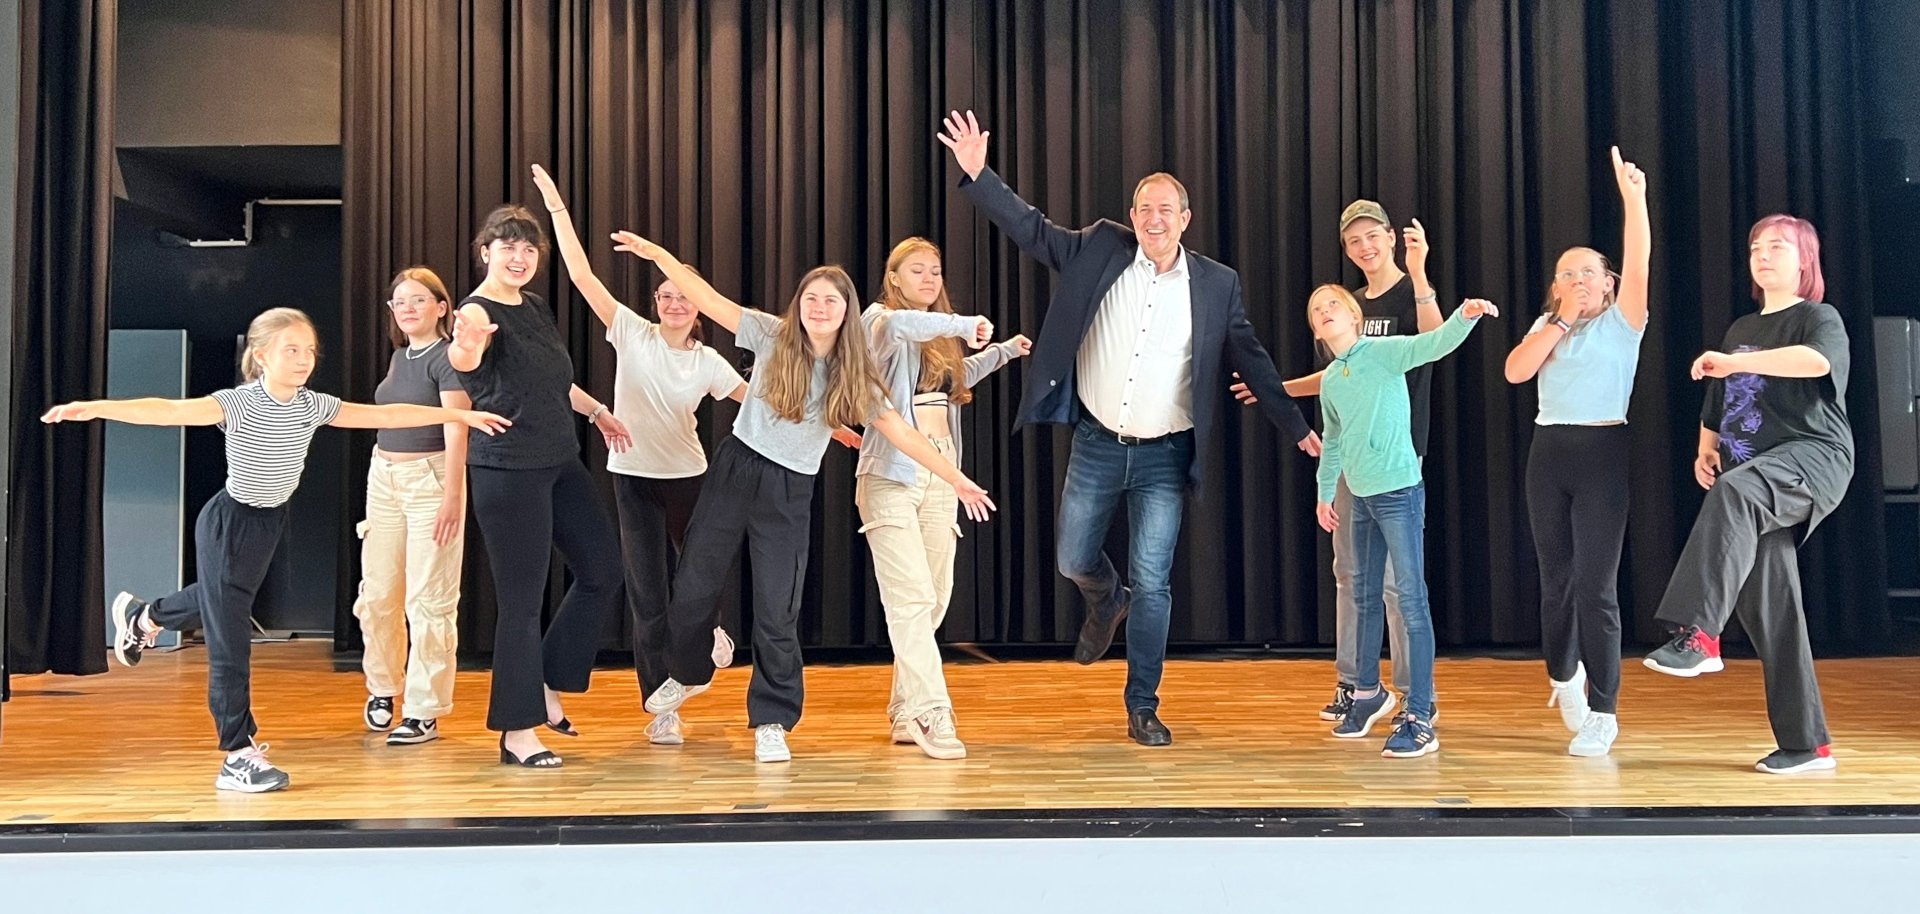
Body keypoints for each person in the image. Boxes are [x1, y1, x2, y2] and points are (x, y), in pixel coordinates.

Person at [939, 109, 1318, 746]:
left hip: (1166, 455)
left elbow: (1252, 356)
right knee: (1072, 558)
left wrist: (1295, 424)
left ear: (1185, 218)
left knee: (1157, 582)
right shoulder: (1099, 247)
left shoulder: (1216, 284)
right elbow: (1032, 231)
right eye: (1145, 207)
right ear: (1134, 214)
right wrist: (979, 175)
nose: (1154, 217)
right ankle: (1103, 597)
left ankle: (1142, 702)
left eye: (1166, 208)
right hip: (1096, 443)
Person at [55, 307, 509, 791]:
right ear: (262, 355)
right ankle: (236, 753)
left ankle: (145, 617)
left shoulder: (312, 405)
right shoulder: (239, 402)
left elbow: (384, 414)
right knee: (229, 642)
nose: (303, 359)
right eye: (291, 350)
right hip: (228, 523)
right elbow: (168, 410)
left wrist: (457, 413)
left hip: (269, 522)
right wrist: (98, 407)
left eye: (309, 350)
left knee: (218, 602)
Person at [613, 230, 997, 764]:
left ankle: (771, 719)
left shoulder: (853, 372)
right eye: (811, 297)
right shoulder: (772, 335)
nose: (819, 307)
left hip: (790, 488)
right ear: (799, 306)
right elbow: (710, 302)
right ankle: (690, 671)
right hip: (736, 469)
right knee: (692, 588)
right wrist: (659, 257)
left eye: (832, 300)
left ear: (846, 312)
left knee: (778, 607)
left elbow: (902, 432)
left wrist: (954, 477)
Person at [531, 165, 767, 747]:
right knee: (647, 595)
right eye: (666, 295)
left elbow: (762, 401)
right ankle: (660, 705)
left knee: (699, 576)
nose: (675, 303)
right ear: (655, 301)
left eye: (685, 296)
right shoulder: (630, 332)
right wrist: (559, 212)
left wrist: (832, 424)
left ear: (699, 305)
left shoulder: (710, 362)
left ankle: (712, 630)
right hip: (631, 479)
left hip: (690, 478)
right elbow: (583, 276)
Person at [1642, 214, 1852, 776]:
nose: (1763, 255)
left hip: (1813, 458)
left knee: (1736, 495)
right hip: (1753, 475)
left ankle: (1699, 635)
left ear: (1805, 259)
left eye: (1778, 247)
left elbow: (1818, 364)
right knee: (1774, 609)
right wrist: (1705, 447)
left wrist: (1736, 361)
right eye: (1756, 246)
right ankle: (1809, 744)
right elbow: (1721, 398)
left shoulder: (1817, 318)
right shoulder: (1739, 328)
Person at [1235, 200, 1443, 723]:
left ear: (1391, 237)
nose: (1365, 247)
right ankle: (1356, 684)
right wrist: (1276, 390)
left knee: (1398, 584)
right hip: (1350, 457)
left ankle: (1415, 698)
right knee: (1351, 575)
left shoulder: (1407, 291)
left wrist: (1420, 275)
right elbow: (1336, 378)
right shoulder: (1346, 306)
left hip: (1396, 455)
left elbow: (1434, 342)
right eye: (1354, 241)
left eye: (1372, 236)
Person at [448, 203, 631, 769]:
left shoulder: (534, 307)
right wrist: (470, 344)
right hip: (508, 469)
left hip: (560, 459)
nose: (519, 257)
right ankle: (516, 731)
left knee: (602, 570)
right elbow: (464, 360)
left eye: (529, 249)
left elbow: (556, 379)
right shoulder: (475, 313)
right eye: (507, 246)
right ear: (485, 252)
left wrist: (599, 411)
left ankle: (548, 682)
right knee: (521, 606)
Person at [858, 236, 1030, 759]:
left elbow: (957, 381)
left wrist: (1002, 351)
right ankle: (934, 711)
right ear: (894, 278)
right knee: (909, 599)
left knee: (932, 598)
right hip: (890, 473)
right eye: (917, 270)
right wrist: (961, 324)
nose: (930, 279)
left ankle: (905, 710)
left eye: (935, 270)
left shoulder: (940, 337)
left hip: (942, 468)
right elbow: (904, 327)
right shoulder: (877, 320)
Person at [1504, 147, 1650, 757]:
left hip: (1602, 451)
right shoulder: (1548, 328)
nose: (1579, 280)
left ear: (1609, 283)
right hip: (1549, 451)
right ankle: (1564, 675)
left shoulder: (1624, 322)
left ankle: (1604, 710)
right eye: (1567, 273)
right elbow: (1515, 373)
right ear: (1554, 287)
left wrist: (1634, 199)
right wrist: (1557, 321)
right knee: (1556, 579)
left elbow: (1640, 256)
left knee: (1597, 585)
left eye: (1589, 272)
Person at [1311, 285, 1498, 758]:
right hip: (1360, 496)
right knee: (1363, 595)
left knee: (1411, 598)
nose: (1325, 311)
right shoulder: (1333, 378)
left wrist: (1466, 313)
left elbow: (1430, 345)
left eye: (1333, 304)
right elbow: (1332, 441)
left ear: (1354, 315)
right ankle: (1368, 692)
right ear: (1315, 329)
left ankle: (1420, 712)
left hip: (1397, 491)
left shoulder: (1383, 352)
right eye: (1317, 310)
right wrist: (1323, 491)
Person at [352, 267, 475, 747]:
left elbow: (456, 425)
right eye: (399, 302)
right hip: (383, 478)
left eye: (418, 300)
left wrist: (452, 495)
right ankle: (384, 687)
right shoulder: (401, 357)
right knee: (378, 594)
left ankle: (423, 709)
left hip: (432, 479)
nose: (406, 308)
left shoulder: (448, 358)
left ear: (442, 307)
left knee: (429, 600)